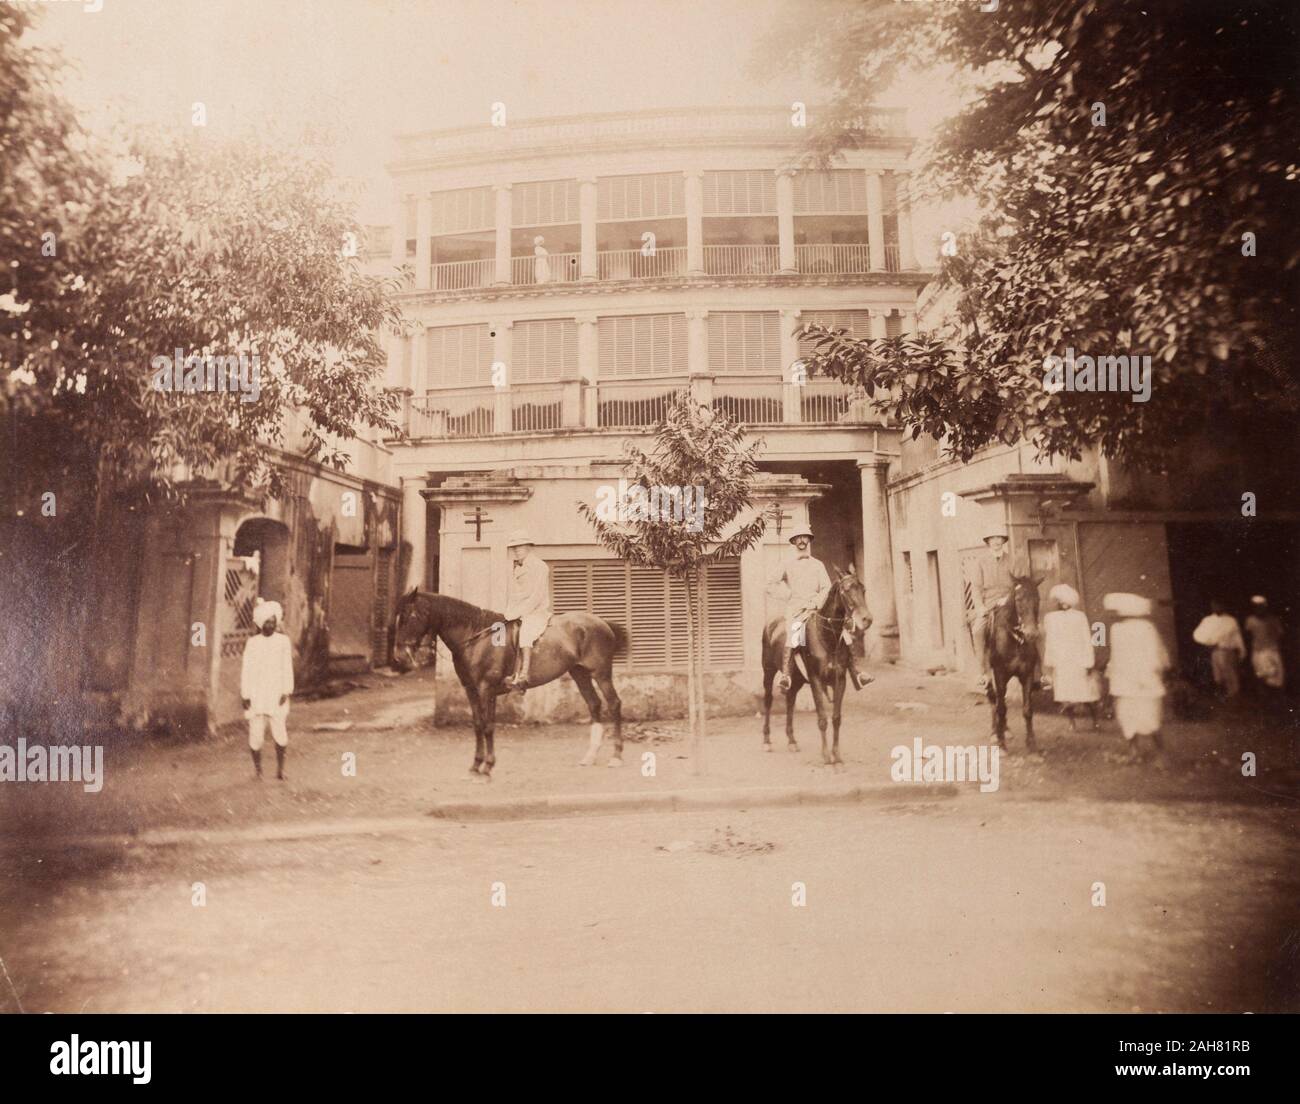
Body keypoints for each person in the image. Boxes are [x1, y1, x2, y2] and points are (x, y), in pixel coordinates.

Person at [768, 527, 839, 691]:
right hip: (797, 610)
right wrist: (788, 595)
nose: (801, 541)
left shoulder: (818, 565)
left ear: (809, 540)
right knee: (793, 634)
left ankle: (856, 671)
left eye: (804, 537)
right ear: (793, 542)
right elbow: (770, 584)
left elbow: (826, 588)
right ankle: (786, 675)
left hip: (816, 609)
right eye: (798, 538)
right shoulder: (786, 564)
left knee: (842, 632)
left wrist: (816, 603)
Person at [1104, 592, 1169, 763]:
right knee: (1128, 718)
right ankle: (1134, 751)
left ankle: (1161, 753)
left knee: (1150, 719)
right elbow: (1116, 657)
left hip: (1144, 680)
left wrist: (1150, 675)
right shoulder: (1117, 629)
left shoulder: (1146, 628)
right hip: (1126, 681)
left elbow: (1156, 655)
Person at [240, 599, 294, 781]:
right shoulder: (253, 643)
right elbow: (246, 669)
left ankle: (281, 770)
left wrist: (286, 691)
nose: (270, 625)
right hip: (257, 693)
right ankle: (258, 771)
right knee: (256, 734)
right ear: (260, 623)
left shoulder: (283, 642)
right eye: (267, 621)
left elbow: (287, 667)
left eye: (273, 621)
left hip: (276, 692)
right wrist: (245, 695)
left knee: (280, 732)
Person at [1042, 582, 1099, 729]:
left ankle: (1095, 721)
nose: (1063, 604)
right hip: (1062, 661)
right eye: (1060, 601)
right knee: (1065, 695)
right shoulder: (1051, 618)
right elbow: (1050, 641)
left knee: (1086, 694)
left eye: (1066, 601)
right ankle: (1072, 723)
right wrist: (1051, 661)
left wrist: (1088, 661)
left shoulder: (1080, 617)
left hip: (1078, 659)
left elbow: (1087, 639)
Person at [969, 527, 1017, 693]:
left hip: (1010, 603)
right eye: (993, 538)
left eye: (999, 538)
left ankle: (1040, 675)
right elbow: (976, 588)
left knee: (1033, 629)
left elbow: (1019, 583)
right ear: (988, 541)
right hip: (989, 605)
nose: (996, 541)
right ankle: (981, 672)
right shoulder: (980, 561)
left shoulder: (1012, 559)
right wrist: (980, 607)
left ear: (1004, 541)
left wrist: (1009, 598)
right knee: (977, 630)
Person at [504, 530, 551, 692]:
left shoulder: (539, 566)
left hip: (535, 611)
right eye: (514, 547)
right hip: (517, 611)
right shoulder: (517, 568)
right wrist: (508, 612)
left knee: (525, 634)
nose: (517, 550)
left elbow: (536, 596)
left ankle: (524, 675)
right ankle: (511, 672)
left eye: (520, 546)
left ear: (529, 547)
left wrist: (518, 612)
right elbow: (514, 595)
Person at [1192, 598, 1246, 699]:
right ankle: (1223, 697)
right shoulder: (1208, 620)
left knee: (1231, 675)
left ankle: (1234, 698)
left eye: (1218, 605)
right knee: (1217, 676)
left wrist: (1242, 651)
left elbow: (1237, 637)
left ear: (1224, 606)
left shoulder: (1231, 620)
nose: (1216, 607)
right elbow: (1197, 635)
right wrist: (1207, 643)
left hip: (1227, 651)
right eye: (1214, 605)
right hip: (1214, 651)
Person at [1244, 595, 1285, 693]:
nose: (1258, 609)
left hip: (1271, 650)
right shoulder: (1250, 620)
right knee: (1260, 675)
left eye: (1261, 606)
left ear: (1265, 607)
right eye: (1256, 606)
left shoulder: (1273, 619)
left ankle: (1277, 699)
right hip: (1257, 651)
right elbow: (1248, 635)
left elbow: (1280, 635)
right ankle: (1262, 700)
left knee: (1277, 677)